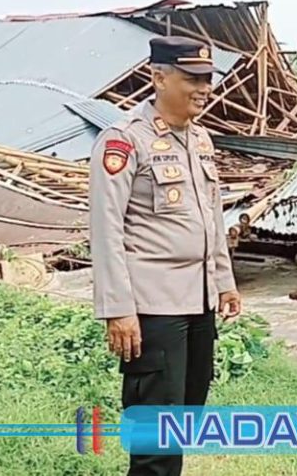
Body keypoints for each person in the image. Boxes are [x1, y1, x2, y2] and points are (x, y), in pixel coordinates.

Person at [89, 36, 242, 475]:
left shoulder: (201, 139)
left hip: (199, 303)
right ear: (158, 77)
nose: (204, 88)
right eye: (192, 79)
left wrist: (224, 281)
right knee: (156, 436)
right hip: (153, 309)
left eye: (208, 79)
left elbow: (212, 218)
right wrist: (118, 309)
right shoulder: (124, 140)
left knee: (186, 416)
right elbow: (105, 229)